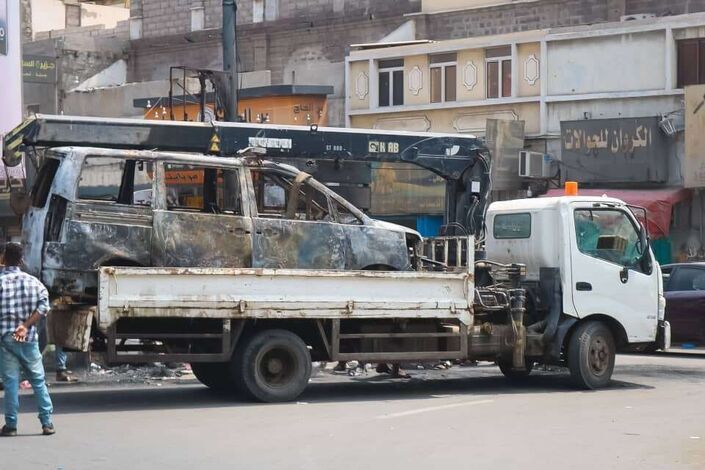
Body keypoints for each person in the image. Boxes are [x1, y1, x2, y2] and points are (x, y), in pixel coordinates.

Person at [0, 242, 55, 437]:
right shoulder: (34, 283)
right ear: (22, 260)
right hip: (29, 338)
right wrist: (25, 325)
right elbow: (44, 307)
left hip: (5, 340)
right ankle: (47, 423)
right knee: (38, 381)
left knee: (10, 382)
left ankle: (11, 425)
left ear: (3, 259)